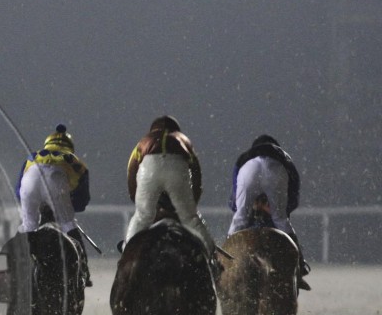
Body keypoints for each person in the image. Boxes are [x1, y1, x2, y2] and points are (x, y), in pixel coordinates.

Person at [124, 115, 220, 273]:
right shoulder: (182, 139)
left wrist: (136, 200)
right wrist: (192, 205)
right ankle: (212, 259)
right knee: (190, 219)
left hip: (149, 168)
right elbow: (196, 173)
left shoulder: (144, 141)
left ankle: (127, 257)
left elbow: (131, 171)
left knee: (142, 217)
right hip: (177, 168)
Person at [228, 133, 310, 290]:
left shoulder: (244, 159)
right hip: (276, 172)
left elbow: (233, 204)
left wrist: (253, 207)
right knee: (281, 220)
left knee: (239, 219)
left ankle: (222, 264)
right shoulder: (285, 160)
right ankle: (300, 266)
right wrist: (273, 210)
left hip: (249, 171)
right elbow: (294, 200)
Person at [17, 124, 92, 286]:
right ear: (69, 147)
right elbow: (82, 201)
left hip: (30, 181)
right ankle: (83, 271)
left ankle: (15, 266)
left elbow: (18, 191)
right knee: (68, 224)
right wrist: (68, 206)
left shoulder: (32, 156)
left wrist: (32, 205)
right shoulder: (75, 161)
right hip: (56, 181)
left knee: (28, 225)